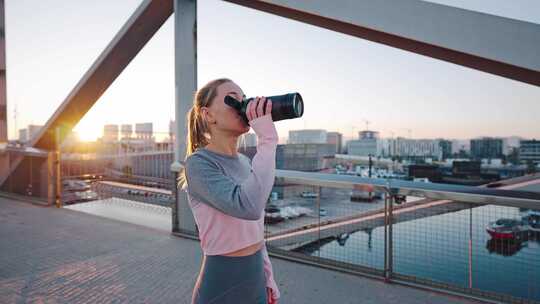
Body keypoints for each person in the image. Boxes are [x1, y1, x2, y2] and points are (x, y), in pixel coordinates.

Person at [178, 78, 280, 304]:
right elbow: (249, 207)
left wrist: (268, 276)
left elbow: (255, 228)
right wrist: (268, 139)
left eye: (244, 100)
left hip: (255, 278)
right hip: (222, 282)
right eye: (233, 100)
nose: (243, 105)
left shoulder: (245, 161)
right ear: (208, 115)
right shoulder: (198, 164)